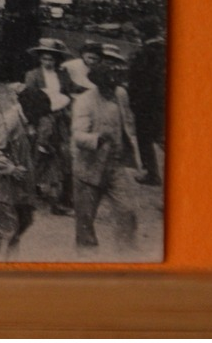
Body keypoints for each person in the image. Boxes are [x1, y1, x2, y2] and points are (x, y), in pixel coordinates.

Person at [72, 58, 145, 253]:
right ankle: (86, 258)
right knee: (85, 219)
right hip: (89, 169)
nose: (112, 88)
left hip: (115, 165)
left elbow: (128, 123)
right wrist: (96, 138)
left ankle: (127, 254)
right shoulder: (84, 101)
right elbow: (78, 135)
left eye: (115, 83)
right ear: (98, 83)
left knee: (127, 211)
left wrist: (133, 154)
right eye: (107, 84)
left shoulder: (121, 94)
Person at [0, 85, 53, 260]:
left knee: (26, 219)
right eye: (39, 114)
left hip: (21, 181)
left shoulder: (29, 120)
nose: (41, 118)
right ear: (29, 110)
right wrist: (10, 168)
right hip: (2, 183)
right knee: (9, 229)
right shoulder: (10, 121)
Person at [23, 37, 79, 216]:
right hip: (42, 119)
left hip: (62, 119)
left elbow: (71, 91)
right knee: (40, 155)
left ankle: (62, 199)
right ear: (40, 59)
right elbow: (28, 102)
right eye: (45, 58)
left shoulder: (62, 75)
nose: (48, 62)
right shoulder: (33, 75)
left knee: (64, 157)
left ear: (57, 60)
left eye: (51, 59)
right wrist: (31, 124)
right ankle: (31, 191)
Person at [127, 21, 166, 185]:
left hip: (146, 103)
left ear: (143, 34)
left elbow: (140, 80)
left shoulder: (145, 53)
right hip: (163, 101)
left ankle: (152, 174)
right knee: (161, 137)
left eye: (137, 33)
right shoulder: (165, 49)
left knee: (145, 138)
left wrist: (135, 102)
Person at [0, 0, 43, 80]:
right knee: (17, 51)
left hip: (24, 26)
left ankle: (20, 75)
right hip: (18, 25)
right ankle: (15, 75)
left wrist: (14, 14)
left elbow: (31, 10)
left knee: (21, 51)